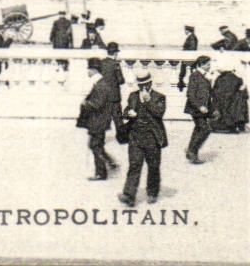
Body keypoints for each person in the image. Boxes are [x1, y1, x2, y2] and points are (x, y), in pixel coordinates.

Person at [119, 70, 168, 207]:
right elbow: (126, 111)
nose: (143, 88)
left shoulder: (159, 97)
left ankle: (152, 193)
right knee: (134, 165)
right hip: (135, 136)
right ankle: (129, 195)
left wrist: (148, 101)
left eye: (145, 85)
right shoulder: (133, 96)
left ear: (150, 83)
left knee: (153, 166)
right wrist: (128, 113)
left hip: (152, 137)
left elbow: (159, 113)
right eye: (140, 85)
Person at [78, 61, 121, 180]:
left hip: (98, 121)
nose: (88, 72)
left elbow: (97, 104)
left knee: (94, 145)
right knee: (97, 145)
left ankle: (102, 172)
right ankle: (110, 163)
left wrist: (86, 103)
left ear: (94, 70)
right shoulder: (101, 83)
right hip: (99, 121)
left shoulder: (101, 85)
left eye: (89, 69)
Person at [184, 55, 214, 163]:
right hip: (196, 109)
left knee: (199, 128)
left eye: (209, 64)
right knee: (205, 129)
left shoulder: (205, 75)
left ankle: (192, 152)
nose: (209, 66)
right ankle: (192, 151)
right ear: (201, 65)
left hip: (203, 108)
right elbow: (190, 94)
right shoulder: (195, 76)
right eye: (207, 64)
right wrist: (199, 106)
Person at [209, 56, 249, 133]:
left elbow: (219, 92)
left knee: (221, 105)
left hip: (226, 102)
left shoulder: (224, 78)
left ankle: (224, 125)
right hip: (231, 101)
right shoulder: (235, 78)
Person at [177, 25, 199, 90]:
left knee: (186, 70)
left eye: (185, 30)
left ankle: (181, 83)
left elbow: (192, 48)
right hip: (190, 57)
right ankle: (182, 82)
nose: (185, 31)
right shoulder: (192, 37)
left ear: (188, 30)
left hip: (189, 58)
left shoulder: (191, 37)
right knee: (191, 71)